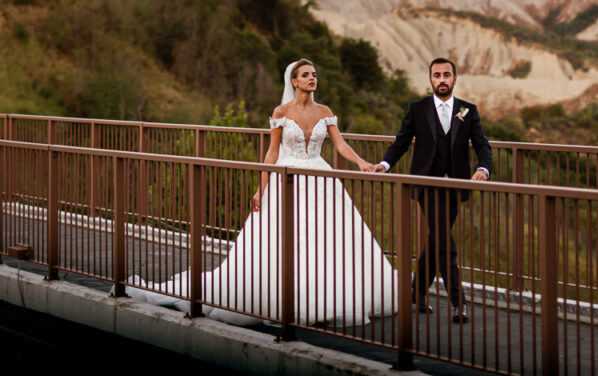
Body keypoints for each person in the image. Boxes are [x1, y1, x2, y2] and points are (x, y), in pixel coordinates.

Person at [129, 59, 399, 326]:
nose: (311, 79)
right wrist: (261, 189)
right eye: (305, 75)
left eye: (314, 74)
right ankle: (286, 298)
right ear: (294, 82)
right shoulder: (281, 112)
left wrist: (363, 163)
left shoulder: (325, 111)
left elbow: (340, 145)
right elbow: (271, 153)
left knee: (327, 237)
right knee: (284, 238)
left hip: (319, 176)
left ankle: (326, 296)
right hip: (286, 176)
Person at [370, 57, 491, 322]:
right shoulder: (417, 108)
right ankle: (459, 303)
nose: (442, 80)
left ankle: (417, 291)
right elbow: (401, 142)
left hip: (455, 185)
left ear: (455, 79)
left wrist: (483, 169)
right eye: (437, 75)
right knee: (446, 245)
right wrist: (385, 164)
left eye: (447, 75)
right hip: (426, 185)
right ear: (431, 80)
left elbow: (483, 145)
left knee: (437, 239)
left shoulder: (468, 110)